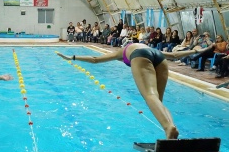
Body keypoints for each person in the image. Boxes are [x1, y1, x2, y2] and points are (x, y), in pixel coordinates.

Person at [56, 43, 208, 139]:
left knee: (149, 95)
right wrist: (193, 50)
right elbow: (174, 55)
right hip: (159, 56)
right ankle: (171, 127)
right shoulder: (145, 45)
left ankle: (168, 128)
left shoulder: (123, 51)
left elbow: (95, 59)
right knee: (158, 101)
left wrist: (72, 57)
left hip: (142, 57)